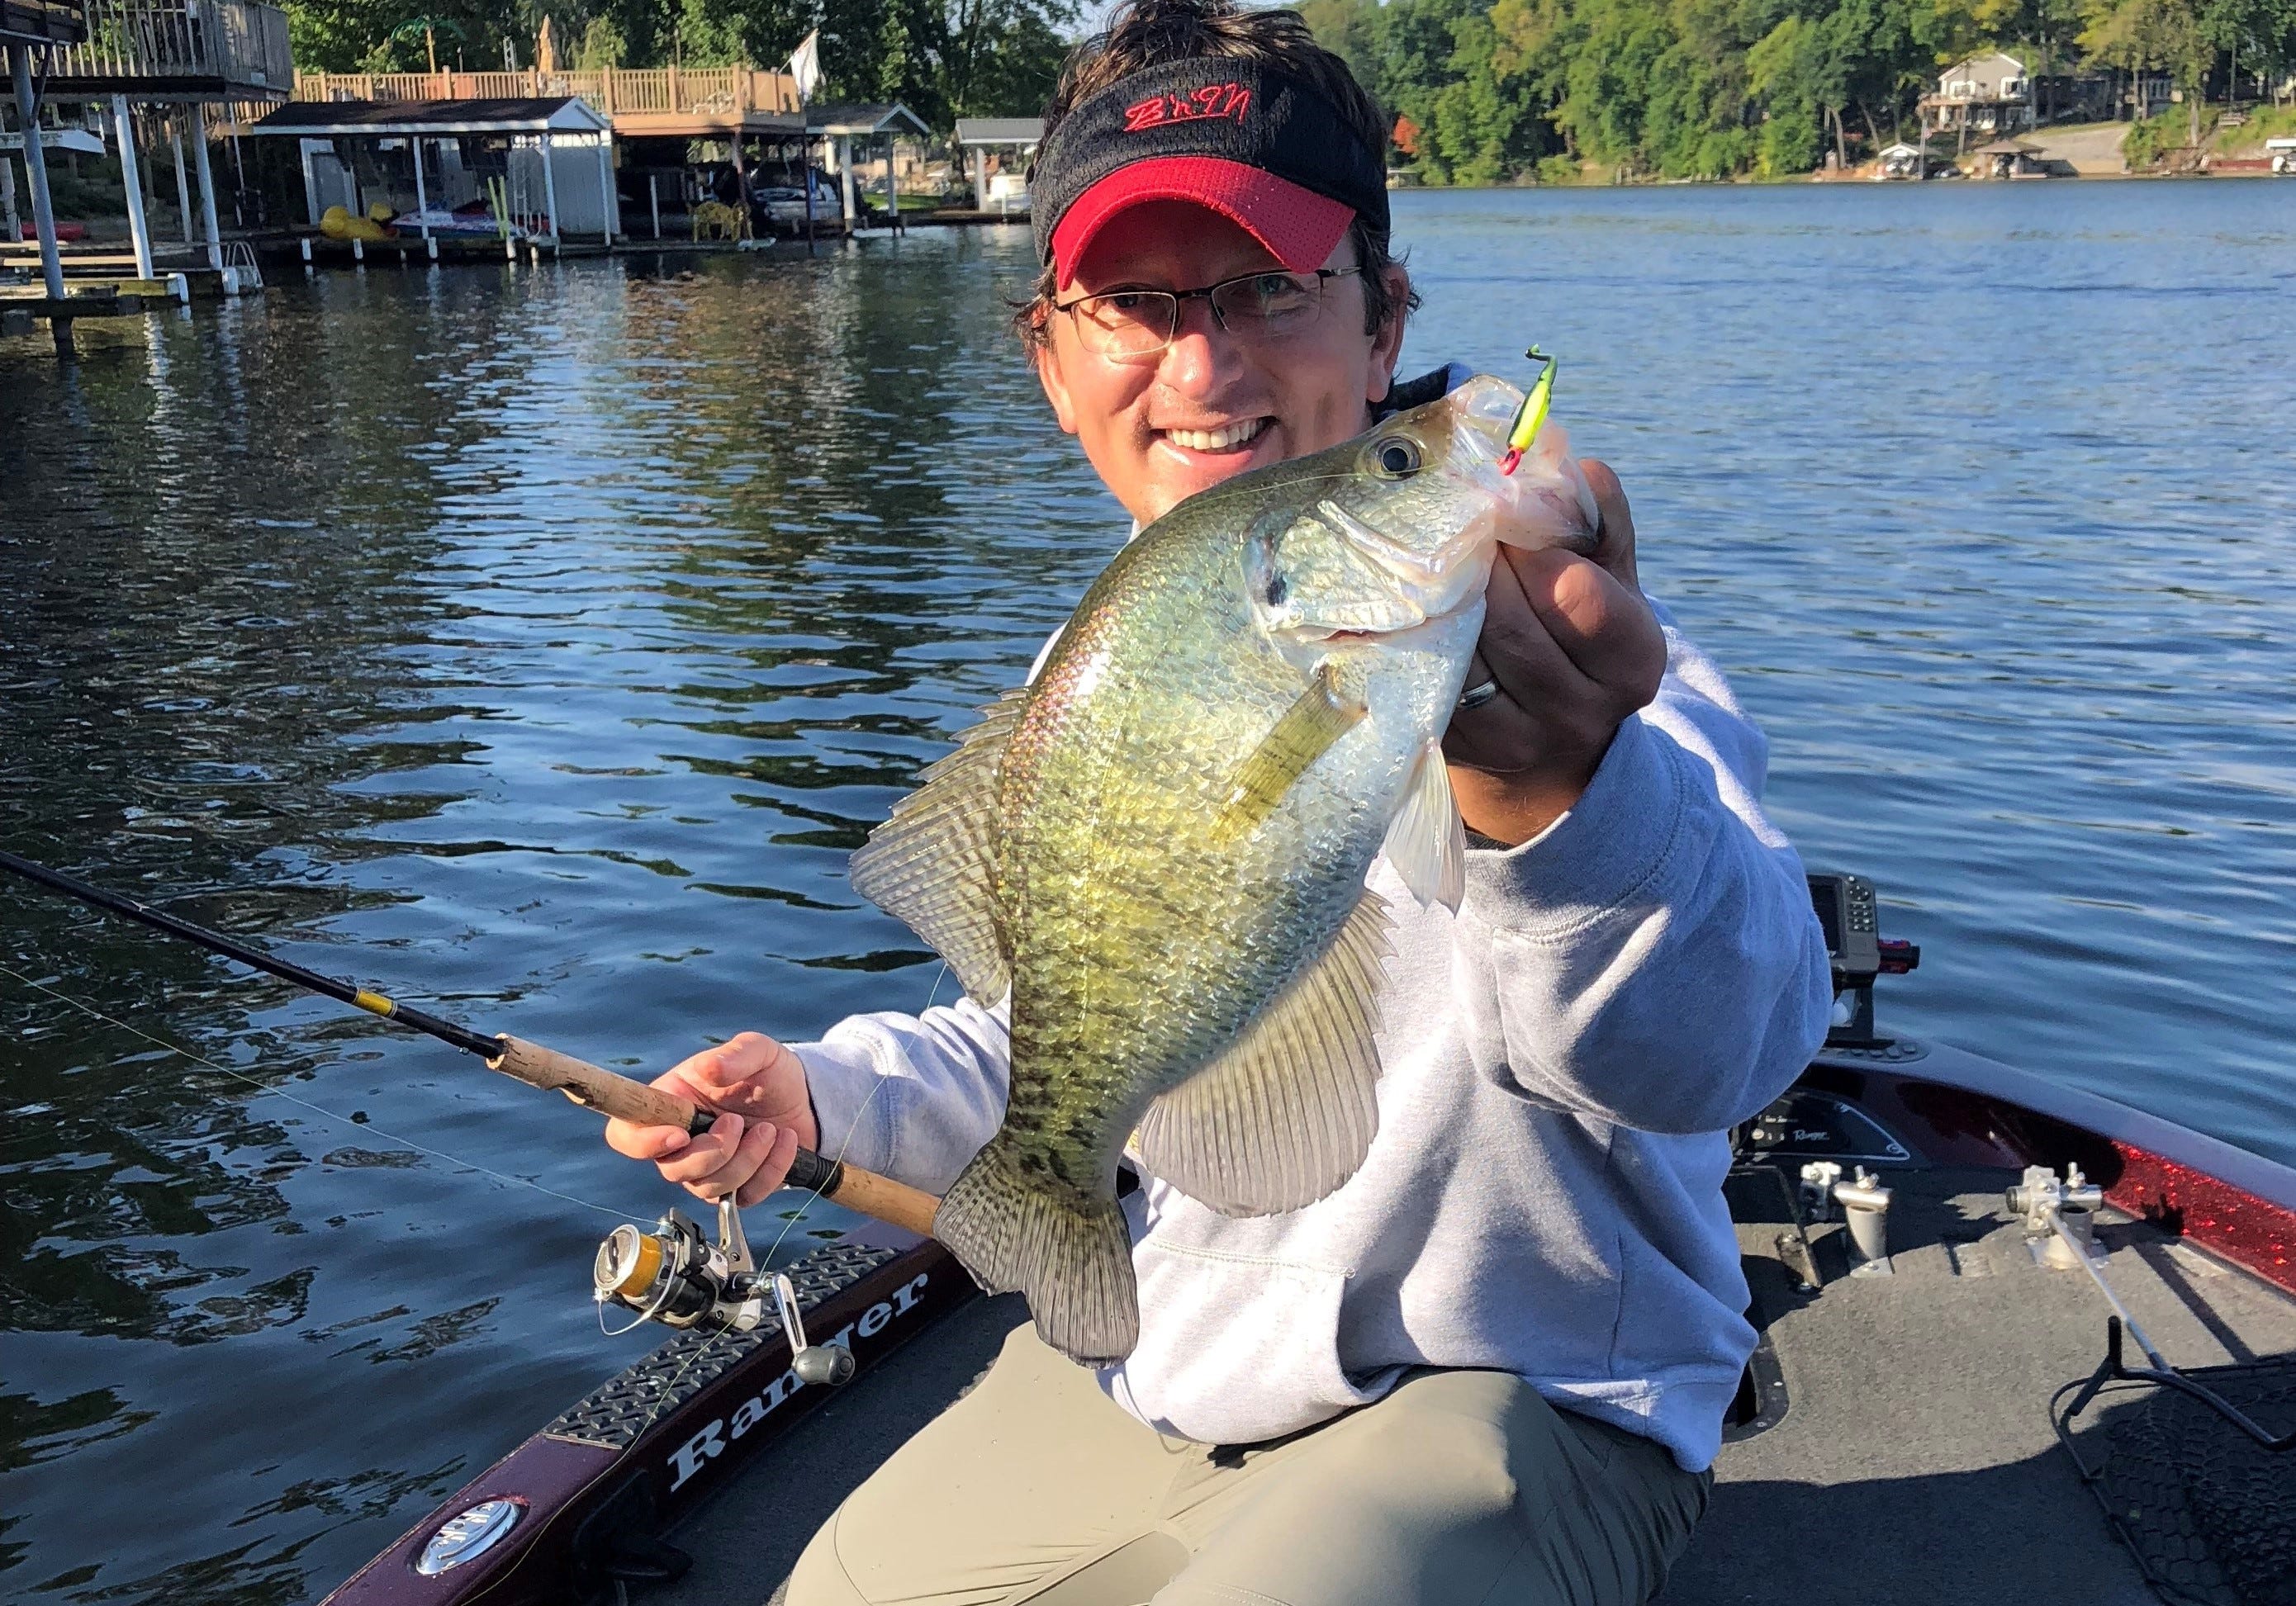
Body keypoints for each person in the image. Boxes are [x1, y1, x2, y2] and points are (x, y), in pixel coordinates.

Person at [606, 2, 1831, 1600]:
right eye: (1135, 300)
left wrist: (1563, 800)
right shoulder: (1097, 664)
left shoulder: (1561, 632)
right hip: (1178, 1377)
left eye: (1270, 285)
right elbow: (1050, 1024)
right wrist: (820, 1095)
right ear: (1053, 361)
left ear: (1382, 323)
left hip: (1523, 1388)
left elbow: (1743, 1036)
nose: (1206, 357)